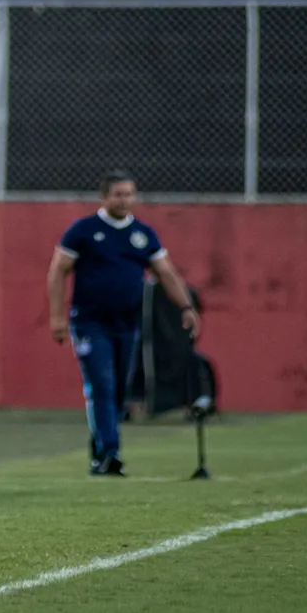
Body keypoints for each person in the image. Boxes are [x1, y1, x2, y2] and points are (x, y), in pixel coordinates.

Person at [47, 170, 200, 477]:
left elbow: (165, 273)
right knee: (101, 385)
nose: (125, 199)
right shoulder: (83, 231)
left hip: (127, 324)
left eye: (129, 193)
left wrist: (185, 306)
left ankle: (101, 448)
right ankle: (110, 453)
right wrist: (57, 317)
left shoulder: (143, 234)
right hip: (90, 323)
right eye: (118, 194)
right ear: (104, 197)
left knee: (118, 392)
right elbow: (57, 271)